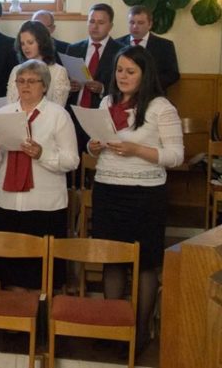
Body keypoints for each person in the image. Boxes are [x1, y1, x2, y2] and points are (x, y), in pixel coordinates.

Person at [87, 45, 183, 355]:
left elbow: (176, 156)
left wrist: (136, 150)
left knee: (145, 264)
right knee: (112, 259)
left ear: (145, 74)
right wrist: (93, 147)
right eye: (119, 70)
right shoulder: (106, 101)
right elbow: (95, 145)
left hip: (145, 194)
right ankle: (112, 327)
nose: (123, 76)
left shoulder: (160, 107)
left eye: (131, 71)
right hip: (107, 189)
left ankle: (140, 332)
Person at [0, 59, 79, 290]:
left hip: (44, 205)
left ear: (44, 86)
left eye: (32, 81)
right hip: (8, 202)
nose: (25, 86)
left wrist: (42, 154)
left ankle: (40, 312)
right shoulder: (3, 114)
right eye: (21, 81)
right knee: (10, 273)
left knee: (40, 274)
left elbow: (72, 160)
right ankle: (14, 312)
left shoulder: (58, 115)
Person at [66, 3, 124, 109]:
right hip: (73, 110)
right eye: (92, 21)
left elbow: (124, 86)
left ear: (110, 26)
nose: (95, 27)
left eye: (101, 23)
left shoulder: (120, 52)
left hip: (103, 110)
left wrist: (102, 89)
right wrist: (69, 86)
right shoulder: (73, 49)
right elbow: (64, 81)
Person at [115, 5, 180, 92]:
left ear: (150, 24)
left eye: (140, 23)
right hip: (122, 93)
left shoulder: (164, 45)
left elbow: (173, 74)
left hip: (153, 93)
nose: (135, 26)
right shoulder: (117, 44)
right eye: (132, 22)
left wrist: (147, 85)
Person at [6, 21, 71, 107]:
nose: (26, 48)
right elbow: (10, 105)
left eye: (30, 42)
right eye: (22, 44)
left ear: (42, 43)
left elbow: (58, 108)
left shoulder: (59, 71)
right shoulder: (16, 70)